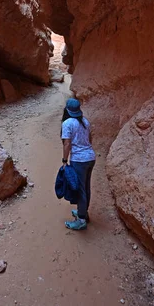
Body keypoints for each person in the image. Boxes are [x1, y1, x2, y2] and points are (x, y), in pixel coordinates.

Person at [61, 97, 96, 230]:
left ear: (68, 109)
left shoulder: (67, 123)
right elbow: (90, 139)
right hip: (90, 157)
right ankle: (83, 212)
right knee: (86, 187)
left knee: (80, 189)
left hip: (79, 160)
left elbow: (67, 143)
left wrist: (65, 160)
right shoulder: (85, 121)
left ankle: (81, 220)